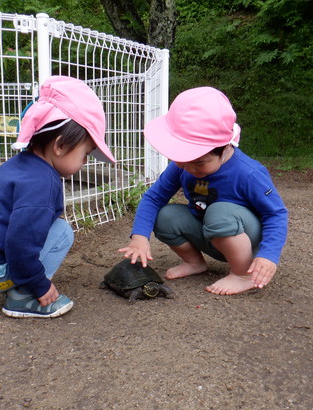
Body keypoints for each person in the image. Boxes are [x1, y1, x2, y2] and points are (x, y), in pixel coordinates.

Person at [0, 76, 116, 318]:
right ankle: (23, 296)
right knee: (61, 232)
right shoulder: (42, 184)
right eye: (85, 153)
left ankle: (19, 281)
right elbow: (19, 242)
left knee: (48, 228)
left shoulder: (20, 165)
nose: (84, 162)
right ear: (60, 145)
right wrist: (38, 284)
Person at [119, 86, 288, 295]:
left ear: (225, 147)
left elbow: (276, 213)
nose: (189, 169)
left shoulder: (248, 173)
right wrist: (139, 237)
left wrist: (269, 255)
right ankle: (195, 263)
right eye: (181, 160)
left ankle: (243, 274)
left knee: (219, 212)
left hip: (244, 240)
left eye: (198, 163)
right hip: (211, 233)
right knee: (165, 216)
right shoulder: (183, 165)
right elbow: (154, 198)